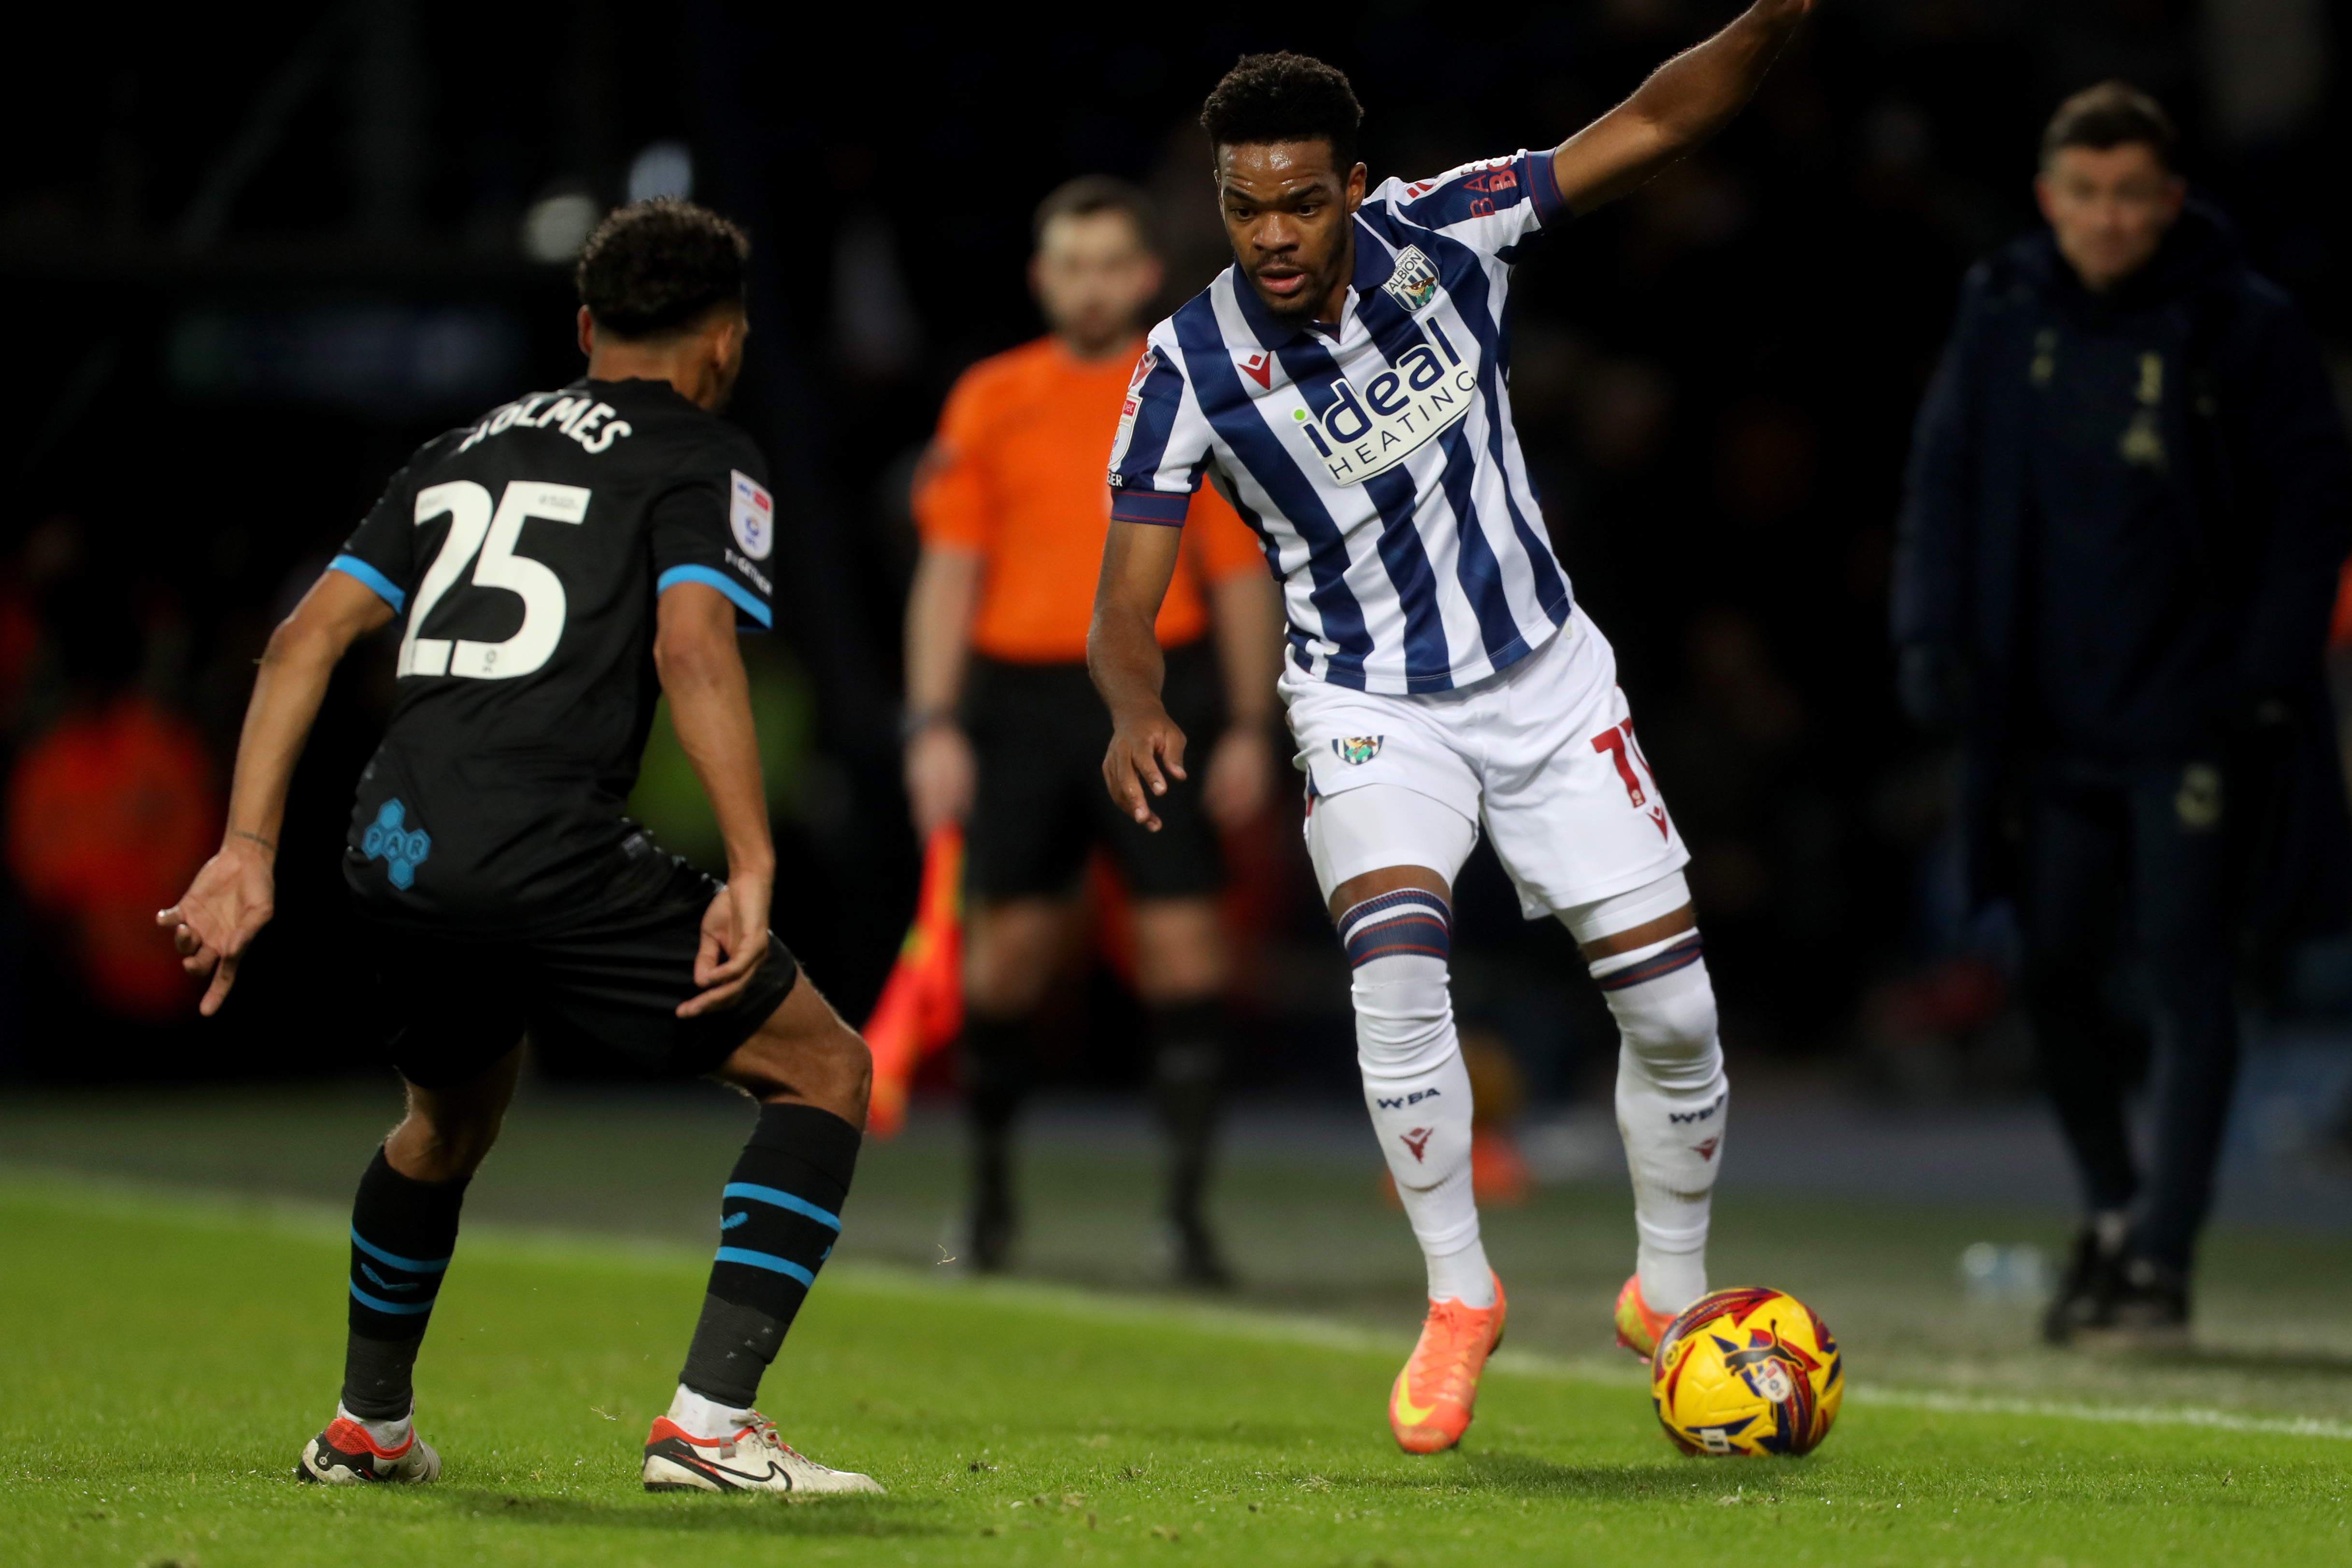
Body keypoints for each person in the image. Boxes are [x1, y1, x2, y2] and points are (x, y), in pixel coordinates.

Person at [1090, 5, 1814, 1456]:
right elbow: (1123, 590)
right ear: (1216, 201)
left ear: (1353, 186)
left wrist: (1778, 14)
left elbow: (1658, 123)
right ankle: (1456, 1292)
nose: (1274, 232)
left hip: (1544, 681)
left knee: (1671, 1012)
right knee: (1392, 963)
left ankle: (1663, 1291)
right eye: (1246, 206)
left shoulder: (1451, 228)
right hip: (1363, 700)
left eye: (1301, 200)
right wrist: (1132, 698)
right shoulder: (1182, 364)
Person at [158, 199, 883, 1495]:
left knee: (444, 1122)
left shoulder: (454, 450)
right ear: (725, 340)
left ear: (587, 326)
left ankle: (367, 1426)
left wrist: (244, 848)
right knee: (823, 1068)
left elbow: (302, 641)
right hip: (544, 841)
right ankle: (709, 1423)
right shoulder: (702, 451)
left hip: (393, 845)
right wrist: (753, 862)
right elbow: (690, 643)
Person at [1893, 83, 2352, 1344]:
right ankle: (2108, 1205)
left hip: (2189, 720)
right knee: (2045, 968)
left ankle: (2158, 1253)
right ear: (2049, 198)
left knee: (2190, 976)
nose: (2104, 218)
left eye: (2128, 194)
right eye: (2082, 193)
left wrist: (2258, 675)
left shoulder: (2240, 325)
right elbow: (1943, 475)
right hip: (2040, 722)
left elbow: (2313, 503)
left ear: (2168, 200)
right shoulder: (2001, 310)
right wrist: (1929, 633)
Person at [904, 177, 1281, 1283]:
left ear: (1145, 273)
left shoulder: (1195, 387)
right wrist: (932, 721)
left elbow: (1239, 571)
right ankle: (985, 1207)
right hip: (1021, 702)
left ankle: (1186, 1219)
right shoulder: (989, 398)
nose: (1089, 284)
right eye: (1070, 264)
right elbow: (949, 570)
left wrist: (1256, 725)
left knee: (1183, 951)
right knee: (1004, 966)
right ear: (1040, 277)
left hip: (1164, 693)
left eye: (1109, 262)